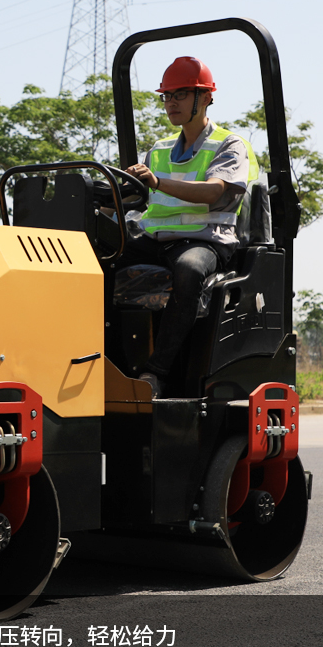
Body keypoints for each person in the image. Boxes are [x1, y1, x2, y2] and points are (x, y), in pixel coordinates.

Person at [120, 56, 259, 397]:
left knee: (190, 269)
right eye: (167, 96)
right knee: (100, 256)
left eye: (180, 94)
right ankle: (103, 360)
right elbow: (135, 197)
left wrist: (157, 181)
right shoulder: (159, 149)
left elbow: (214, 192)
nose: (171, 102)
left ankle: (156, 373)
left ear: (206, 97)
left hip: (204, 240)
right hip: (155, 239)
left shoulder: (229, 145)